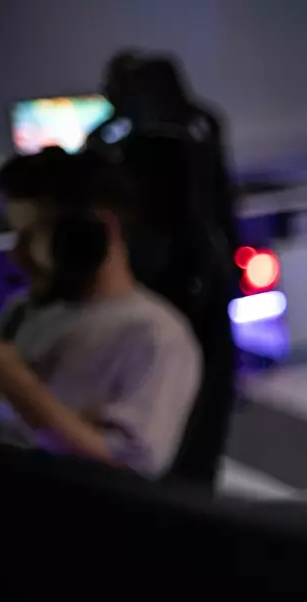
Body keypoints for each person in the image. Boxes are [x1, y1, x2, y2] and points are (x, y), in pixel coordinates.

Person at [0, 149, 201, 478]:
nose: (16, 255)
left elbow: (129, 471)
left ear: (95, 231)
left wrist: (16, 383)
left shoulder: (154, 335)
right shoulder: (23, 312)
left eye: (32, 235)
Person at [87, 50, 239, 486]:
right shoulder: (201, 124)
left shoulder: (125, 142)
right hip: (207, 277)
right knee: (206, 394)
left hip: (160, 281)